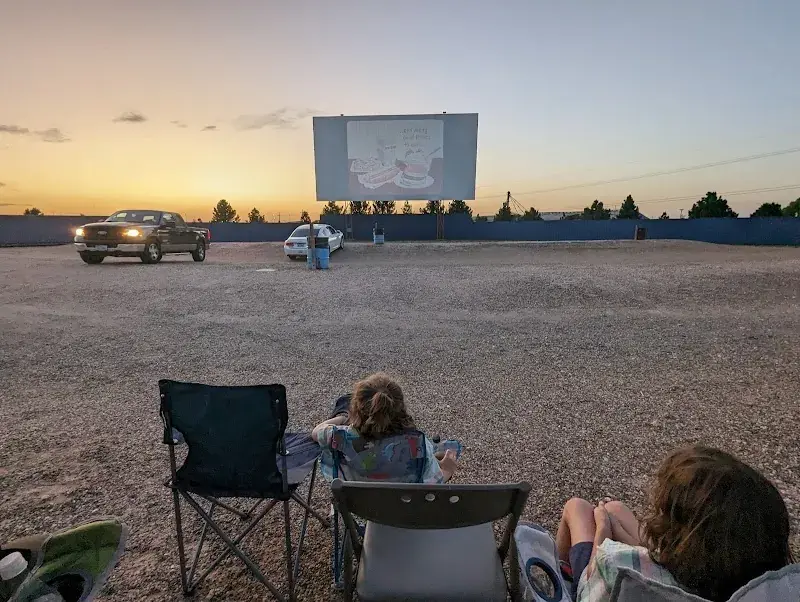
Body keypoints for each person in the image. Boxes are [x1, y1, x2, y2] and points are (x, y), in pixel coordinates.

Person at [557, 445, 794, 602]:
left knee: (577, 507)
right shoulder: (753, 587)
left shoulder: (614, 561)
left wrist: (604, 534)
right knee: (615, 509)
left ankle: (562, 575)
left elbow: (594, 575)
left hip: (595, 583)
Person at [311, 372, 460, 483]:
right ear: (401, 409)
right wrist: (447, 469)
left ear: (356, 411)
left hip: (360, 506)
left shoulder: (339, 437)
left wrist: (344, 417)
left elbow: (317, 431)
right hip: (401, 510)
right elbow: (431, 483)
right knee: (448, 447)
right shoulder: (418, 445)